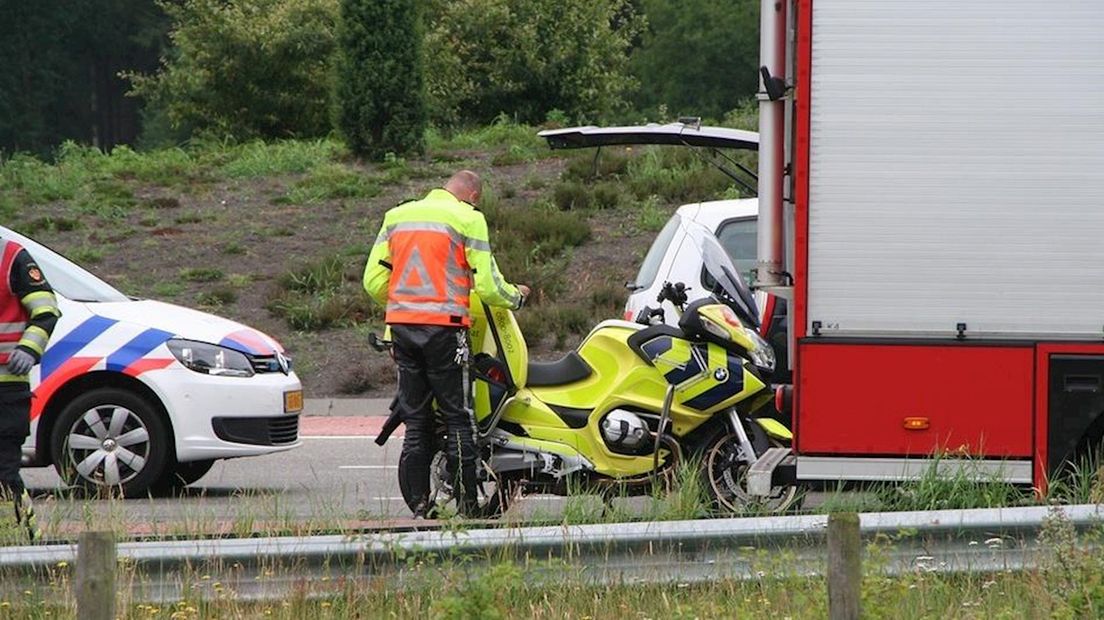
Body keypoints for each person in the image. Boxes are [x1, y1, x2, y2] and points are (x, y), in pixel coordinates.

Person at [363, 171, 529, 517]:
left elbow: (374, 282)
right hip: (445, 331)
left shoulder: (396, 217)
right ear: (473, 196)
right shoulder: (468, 218)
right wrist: (517, 298)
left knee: (417, 419)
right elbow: (488, 287)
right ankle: (469, 505)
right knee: (458, 417)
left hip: (403, 330)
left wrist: (408, 303)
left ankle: (420, 505)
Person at [0, 238, 60, 541]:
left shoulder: (10, 256)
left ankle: (30, 539)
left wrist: (29, 348)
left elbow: (46, 310)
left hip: (6, 389)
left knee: (4, 474)